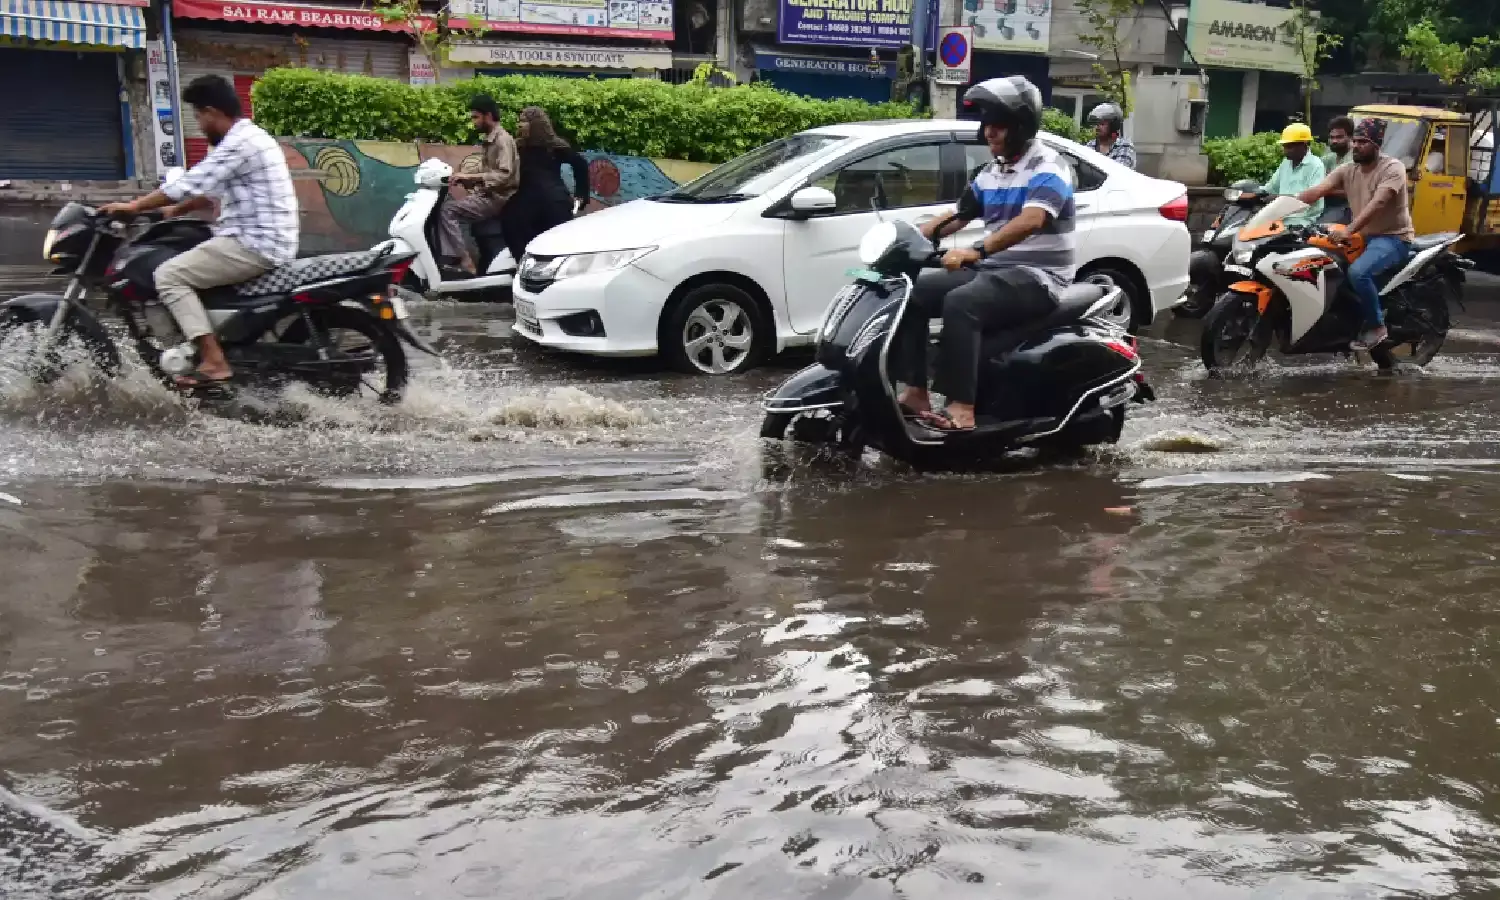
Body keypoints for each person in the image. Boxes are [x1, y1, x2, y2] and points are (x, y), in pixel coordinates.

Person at [895, 75, 1076, 432]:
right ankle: (916, 391)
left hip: (1039, 277)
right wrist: (913, 237)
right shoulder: (993, 171)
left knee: (963, 303)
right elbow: (960, 214)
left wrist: (976, 251)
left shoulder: (1049, 167)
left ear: (1021, 127)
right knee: (913, 296)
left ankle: (962, 409)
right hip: (996, 270)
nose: (988, 132)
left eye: (998, 125)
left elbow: (1033, 219)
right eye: (986, 123)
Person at [99, 75, 297, 390]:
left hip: (254, 244)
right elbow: (210, 189)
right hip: (260, 238)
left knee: (169, 276)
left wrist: (134, 206)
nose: (199, 124)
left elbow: (192, 182)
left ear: (212, 111)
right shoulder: (248, 137)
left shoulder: (238, 143)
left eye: (198, 116)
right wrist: (174, 210)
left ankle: (213, 360)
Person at [1297, 117, 1415, 350]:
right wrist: (1288, 203)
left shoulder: (1393, 168)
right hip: (1362, 236)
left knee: (1359, 273)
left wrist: (1349, 230)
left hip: (1392, 237)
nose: (1356, 146)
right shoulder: (1348, 169)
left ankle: (1376, 326)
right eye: (1356, 141)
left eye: (1363, 142)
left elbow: (1378, 204)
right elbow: (1318, 190)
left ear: (1376, 144)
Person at [437, 95, 518, 275]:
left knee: (448, 211)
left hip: (497, 198)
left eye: (476, 117)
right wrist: (465, 179)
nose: (474, 122)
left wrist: (473, 178)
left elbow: (504, 174)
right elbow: (487, 172)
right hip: (487, 194)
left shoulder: (502, 140)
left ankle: (463, 261)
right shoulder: (491, 139)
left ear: (488, 115)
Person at [501, 106, 590, 264]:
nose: (519, 125)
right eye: (519, 122)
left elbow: (580, 165)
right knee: (512, 228)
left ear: (536, 124)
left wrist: (581, 194)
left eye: (524, 122)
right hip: (527, 200)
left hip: (553, 202)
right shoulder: (517, 147)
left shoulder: (554, 146)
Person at [1264, 123, 1326, 228]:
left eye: (1289, 146)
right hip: (1280, 218)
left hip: (1302, 221)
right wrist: (1255, 193)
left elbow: (1312, 196)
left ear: (1304, 144)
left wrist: (1280, 199)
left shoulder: (1316, 165)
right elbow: (1271, 187)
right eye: (1284, 146)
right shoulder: (1286, 163)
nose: (1285, 151)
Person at [1319, 116, 1354, 224]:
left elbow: (1353, 192)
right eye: (1332, 137)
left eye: (1339, 137)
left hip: (1347, 207)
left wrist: (1326, 190)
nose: (1334, 141)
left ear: (1350, 137)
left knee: (1321, 228)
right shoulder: (1330, 154)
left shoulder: (1355, 158)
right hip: (1324, 203)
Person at [1084, 102, 1136, 170]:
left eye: (1102, 124)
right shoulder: (1090, 146)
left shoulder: (1125, 146)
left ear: (1113, 126)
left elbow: (1118, 172)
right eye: (1096, 124)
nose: (1097, 127)